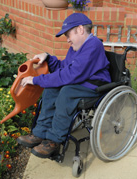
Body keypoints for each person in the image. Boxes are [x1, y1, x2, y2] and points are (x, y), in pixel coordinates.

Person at [17, 13, 111, 159]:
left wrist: (36, 80)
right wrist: (48, 57)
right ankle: (40, 133)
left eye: (68, 35)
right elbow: (65, 67)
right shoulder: (76, 47)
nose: (67, 40)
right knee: (51, 88)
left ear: (80, 29)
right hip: (81, 81)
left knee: (66, 92)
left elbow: (71, 74)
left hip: (95, 85)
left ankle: (54, 140)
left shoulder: (93, 45)